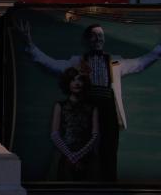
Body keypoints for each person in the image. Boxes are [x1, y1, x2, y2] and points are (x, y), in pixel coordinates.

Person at [18, 21, 161, 181]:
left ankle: (109, 184)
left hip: (108, 109)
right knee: (84, 146)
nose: (98, 38)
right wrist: (31, 45)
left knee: (109, 148)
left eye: (101, 35)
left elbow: (139, 64)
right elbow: (53, 64)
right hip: (87, 108)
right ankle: (83, 181)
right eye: (94, 35)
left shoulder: (115, 61)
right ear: (87, 40)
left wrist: (158, 50)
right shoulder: (78, 61)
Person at [50, 67, 100, 181]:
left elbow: (96, 135)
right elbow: (54, 134)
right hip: (65, 155)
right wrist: (70, 156)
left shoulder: (92, 107)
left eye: (80, 80)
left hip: (87, 156)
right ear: (67, 83)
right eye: (73, 80)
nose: (76, 83)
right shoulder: (60, 106)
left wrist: (78, 155)